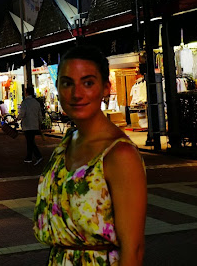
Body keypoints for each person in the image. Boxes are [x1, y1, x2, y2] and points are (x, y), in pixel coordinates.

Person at [34, 45, 146, 266]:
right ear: (58, 88)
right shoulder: (66, 144)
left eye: (88, 83)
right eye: (67, 83)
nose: (77, 94)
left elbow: (133, 250)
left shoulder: (119, 155)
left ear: (106, 88)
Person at [18, 86, 43, 165]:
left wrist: (17, 119)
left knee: (30, 142)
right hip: (34, 124)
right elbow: (40, 115)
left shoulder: (25, 102)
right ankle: (29, 157)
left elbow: (22, 114)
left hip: (27, 124)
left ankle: (38, 156)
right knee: (30, 141)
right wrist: (40, 123)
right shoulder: (36, 103)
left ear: (27, 93)